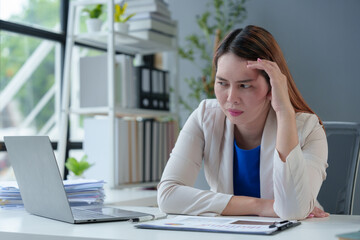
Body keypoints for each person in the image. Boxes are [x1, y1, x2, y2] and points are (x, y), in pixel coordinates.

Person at [157, 25, 329, 220]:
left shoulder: (308, 129)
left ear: (272, 86)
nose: (231, 98)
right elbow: (168, 195)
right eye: (222, 83)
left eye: (245, 85)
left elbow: (292, 211)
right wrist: (261, 206)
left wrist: (284, 112)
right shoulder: (205, 116)